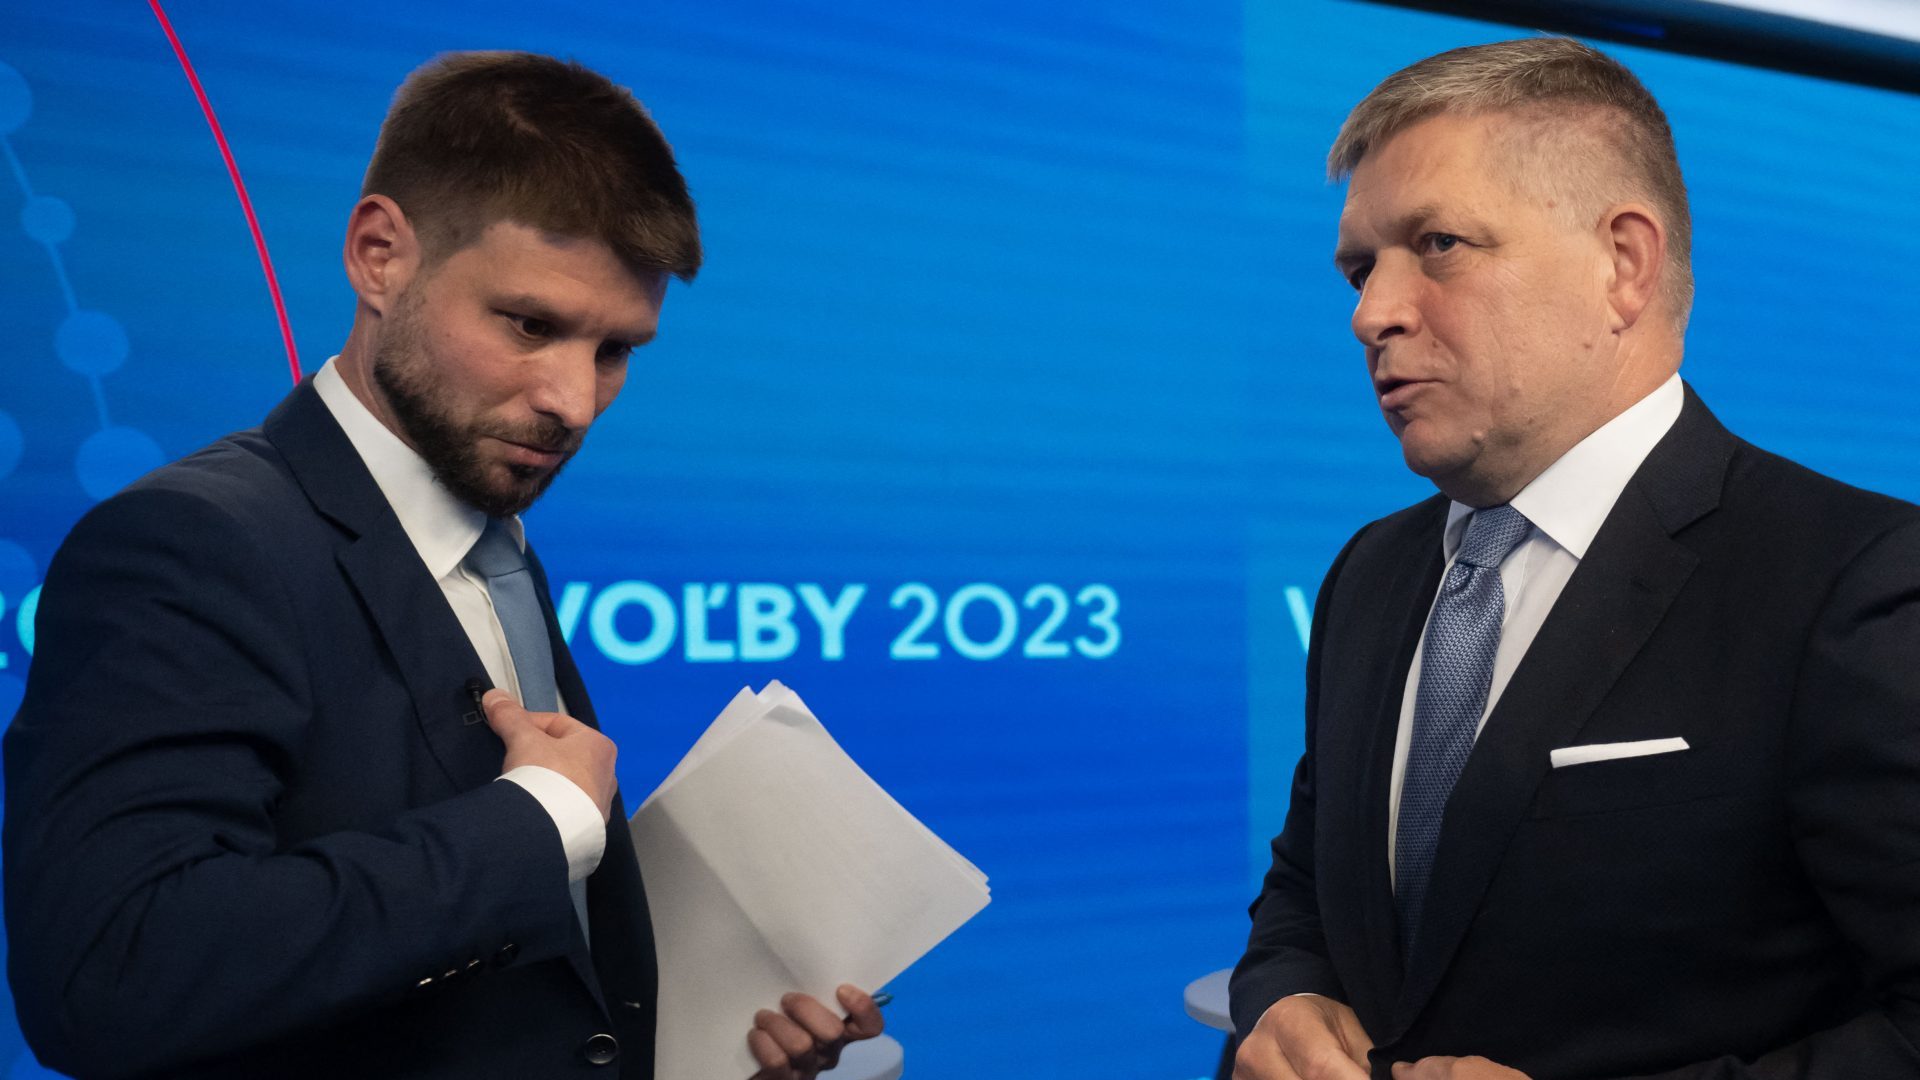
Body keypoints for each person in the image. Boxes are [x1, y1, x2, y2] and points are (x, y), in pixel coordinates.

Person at [4, 51, 881, 1079]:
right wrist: (534, 820)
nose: (574, 400)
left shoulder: (487, 533)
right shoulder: (194, 544)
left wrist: (702, 1046)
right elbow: (110, 977)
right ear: (380, 255)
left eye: (616, 350)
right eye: (531, 325)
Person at [1228, 36, 1920, 1080]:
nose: (1373, 313)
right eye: (1361, 268)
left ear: (1623, 264)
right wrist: (1282, 993)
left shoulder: (1856, 581)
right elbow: (1307, 894)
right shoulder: (1370, 573)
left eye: (1441, 245)